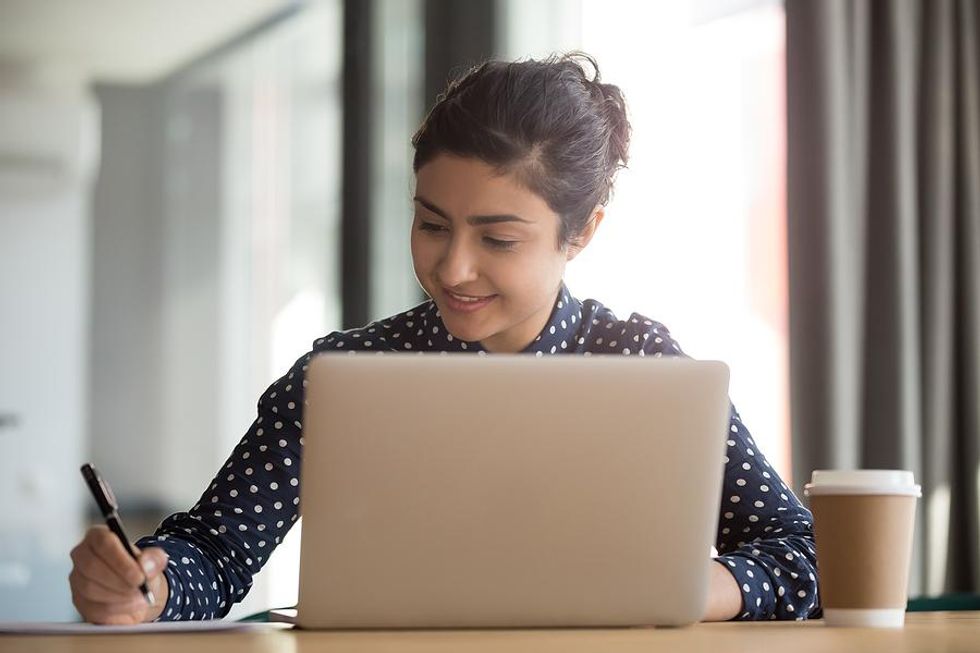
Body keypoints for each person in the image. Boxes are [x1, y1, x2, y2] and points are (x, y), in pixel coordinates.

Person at [68, 53, 819, 625]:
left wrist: (692, 588)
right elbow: (218, 553)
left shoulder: (643, 365)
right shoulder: (343, 375)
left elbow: (801, 557)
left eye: (497, 238)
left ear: (580, 232)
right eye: (431, 224)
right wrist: (150, 584)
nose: (452, 267)